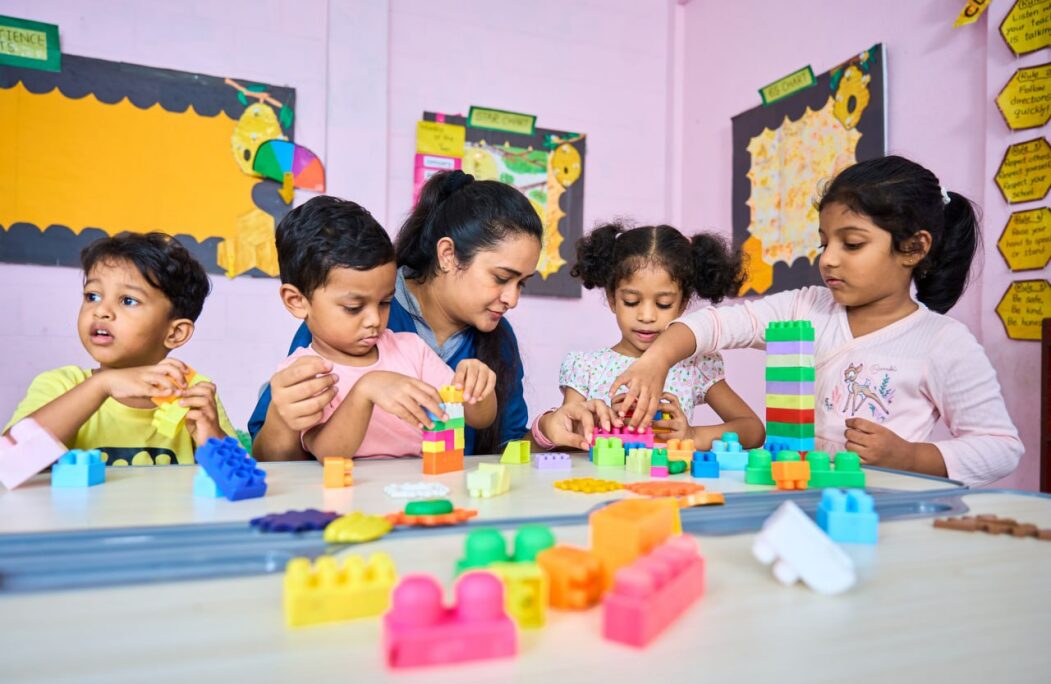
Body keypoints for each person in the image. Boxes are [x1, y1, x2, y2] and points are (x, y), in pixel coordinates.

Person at [609, 156, 1023, 486]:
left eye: (852, 243)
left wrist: (912, 456)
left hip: (884, 511)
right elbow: (719, 325)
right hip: (793, 497)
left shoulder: (942, 342)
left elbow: (1001, 447)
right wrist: (657, 359)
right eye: (824, 242)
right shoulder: (806, 306)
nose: (828, 258)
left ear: (913, 248)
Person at [250, 170, 542, 460]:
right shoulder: (328, 339)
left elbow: (501, 438)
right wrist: (365, 390)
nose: (512, 299)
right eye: (502, 277)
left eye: (385, 302)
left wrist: (483, 391)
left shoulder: (411, 347)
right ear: (448, 255)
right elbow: (293, 454)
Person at [5, 233, 235, 465]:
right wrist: (101, 385)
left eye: (127, 300)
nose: (101, 310)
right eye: (92, 296)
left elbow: (242, 484)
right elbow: (8, 462)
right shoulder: (60, 385)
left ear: (175, 333)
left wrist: (211, 436)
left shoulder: (194, 395)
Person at [532, 222, 764, 450]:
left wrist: (693, 436)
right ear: (613, 299)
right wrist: (603, 428)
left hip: (666, 487)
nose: (646, 315)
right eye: (631, 302)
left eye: (663, 304)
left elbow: (752, 430)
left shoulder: (696, 365)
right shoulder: (586, 367)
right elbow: (568, 437)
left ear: (682, 304)